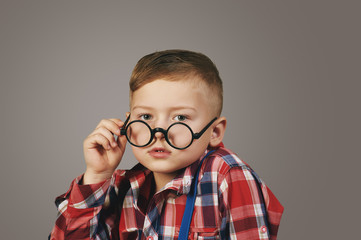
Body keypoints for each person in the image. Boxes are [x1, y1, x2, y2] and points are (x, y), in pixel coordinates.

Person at [49, 49, 284, 240]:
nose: (158, 133)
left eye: (180, 118)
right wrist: (97, 174)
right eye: (146, 117)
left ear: (214, 131)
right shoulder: (124, 187)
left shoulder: (226, 176)